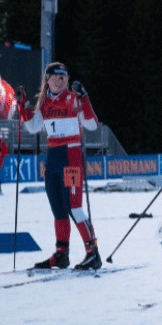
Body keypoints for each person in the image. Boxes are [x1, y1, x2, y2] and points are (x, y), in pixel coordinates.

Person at [19, 61, 103, 272]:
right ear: (47, 79)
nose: (60, 79)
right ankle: (61, 254)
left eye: (64, 76)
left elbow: (92, 124)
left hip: (71, 155)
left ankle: (93, 253)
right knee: (58, 208)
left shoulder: (73, 99)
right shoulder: (44, 102)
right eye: (56, 76)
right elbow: (32, 127)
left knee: (74, 206)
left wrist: (85, 98)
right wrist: (23, 106)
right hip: (53, 157)